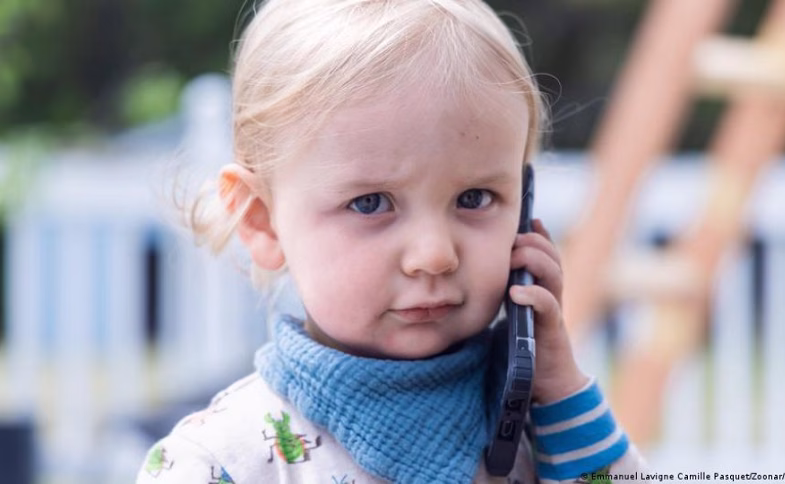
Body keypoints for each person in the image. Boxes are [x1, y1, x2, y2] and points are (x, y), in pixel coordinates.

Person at [137, 0, 647, 482]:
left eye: (474, 198)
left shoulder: (546, 425)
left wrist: (562, 391)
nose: (434, 255)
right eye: (370, 203)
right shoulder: (220, 460)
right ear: (263, 222)